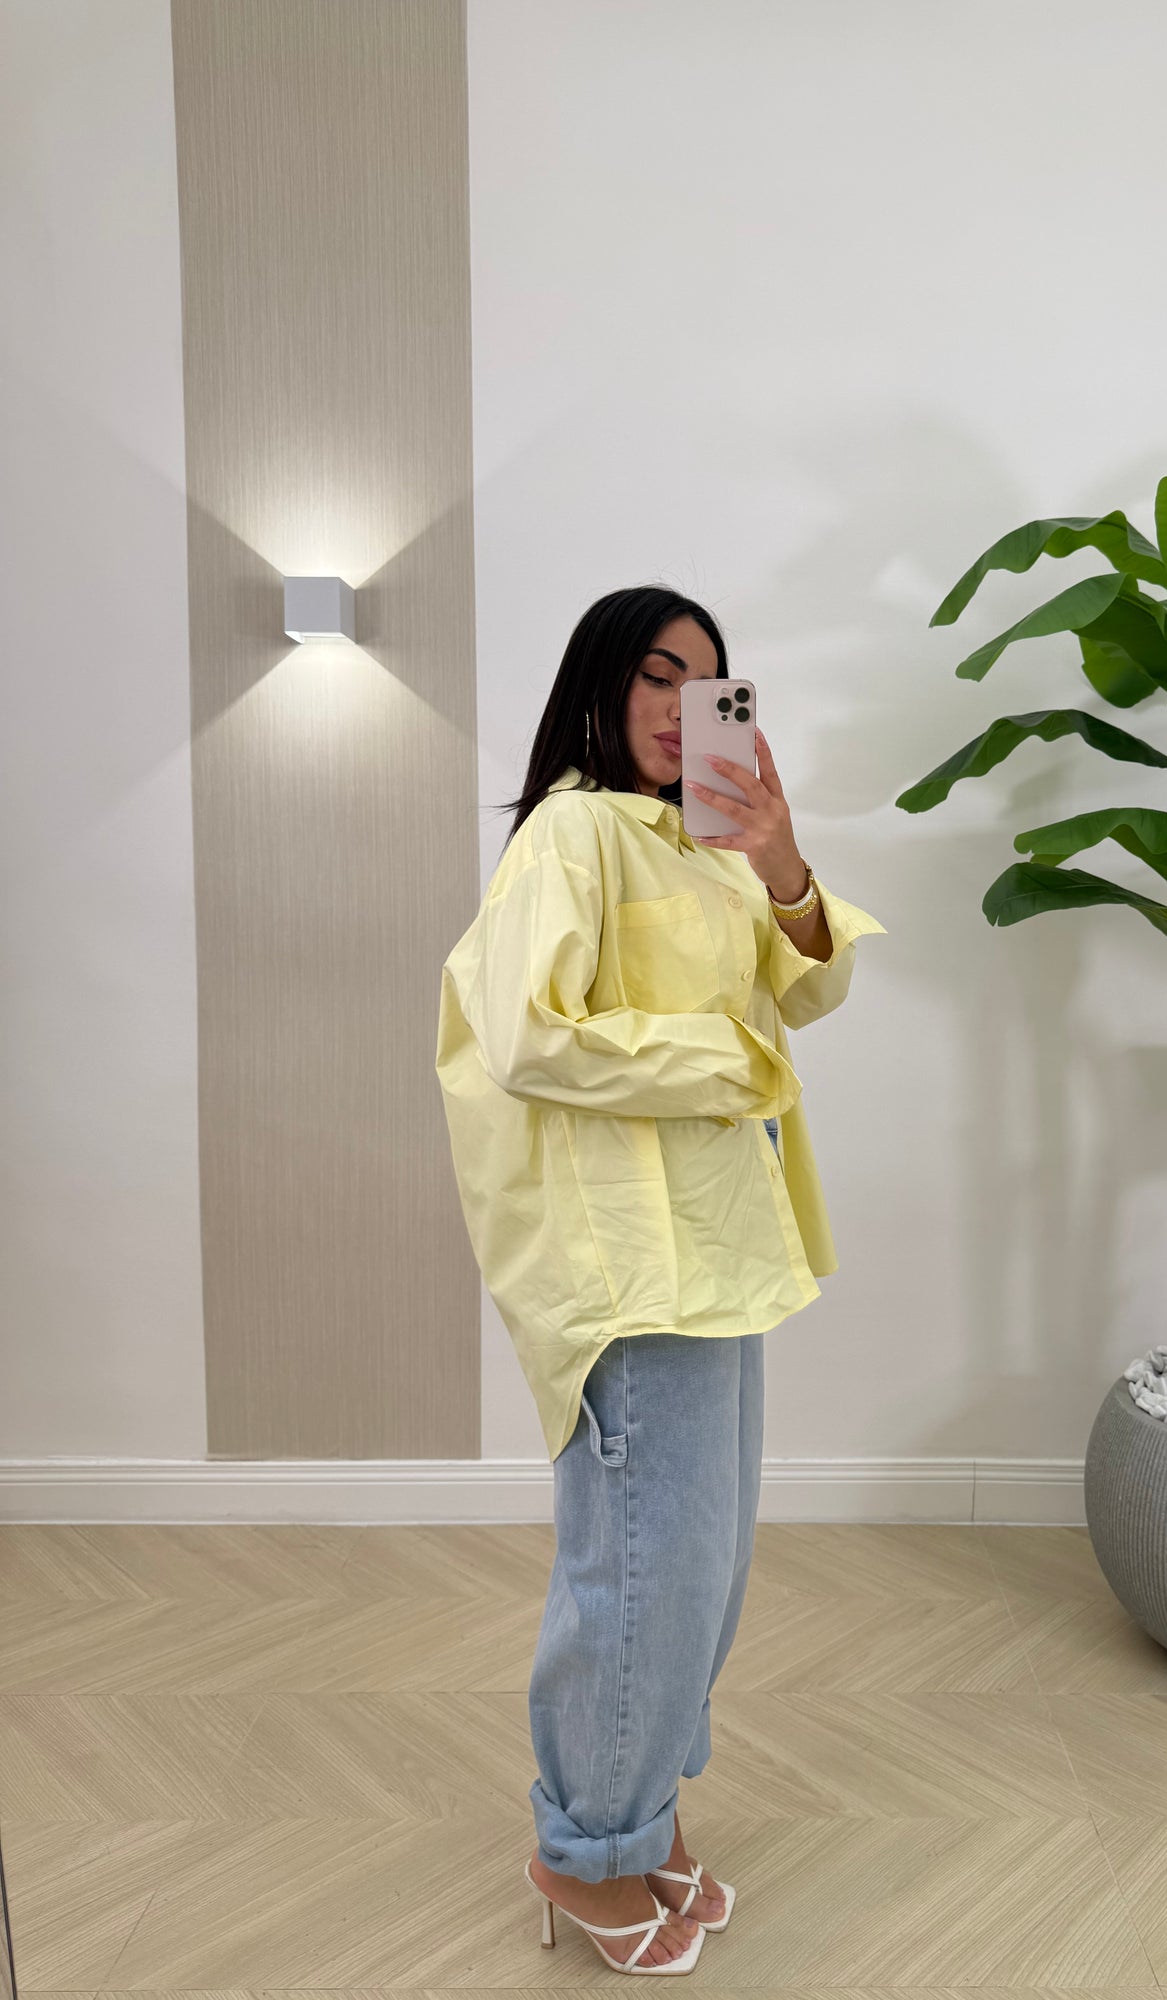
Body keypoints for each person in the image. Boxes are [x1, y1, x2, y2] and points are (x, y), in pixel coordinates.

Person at [435, 585, 885, 1972]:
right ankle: (584, 1852)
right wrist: (722, 1060)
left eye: (708, 685)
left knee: (702, 1567)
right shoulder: (572, 834)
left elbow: (809, 991)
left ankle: (642, 1819)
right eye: (655, 676)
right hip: (628, 1256)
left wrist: (782, 859)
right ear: (598, 686)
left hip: (724, 1243)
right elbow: (526, 1036)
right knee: (637, 1568)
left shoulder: (703, 844)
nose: (683, 708)